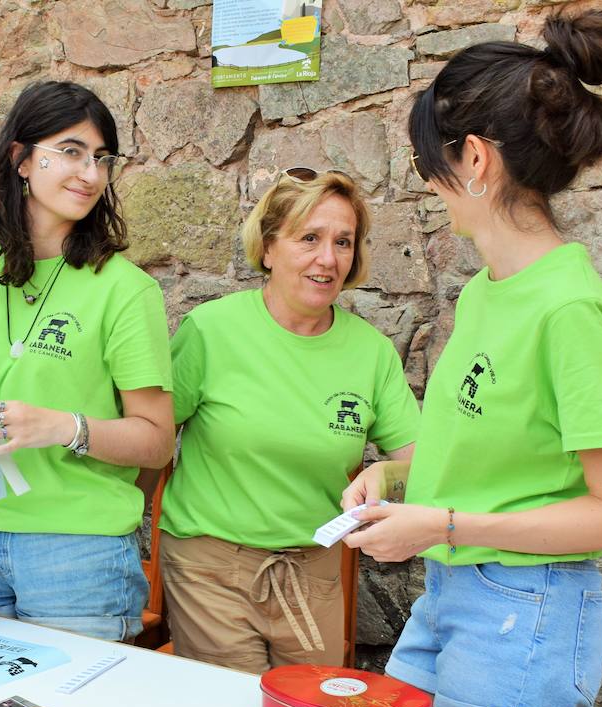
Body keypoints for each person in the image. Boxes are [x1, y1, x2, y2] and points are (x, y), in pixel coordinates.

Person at [342, 11, 602, 707]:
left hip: (524, 605)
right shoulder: (487, 291)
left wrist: (442, 524)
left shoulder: (569, 311)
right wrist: (394, 480)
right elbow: (492, 455)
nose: (428, 183)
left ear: (476, 159)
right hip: (454, 591)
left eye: (429, 163)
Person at [0, 81, 174, 641]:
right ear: (20, 160)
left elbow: (156, 440)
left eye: (101, 158)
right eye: (70, 151)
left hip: (78, 552)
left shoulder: (126, 291)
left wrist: (60, 427)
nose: (90, 174)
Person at [157, 170, 418, 675]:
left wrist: (383, 477)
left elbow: (422, 461)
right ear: (269, 248)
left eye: (343, 242)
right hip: (210, 569)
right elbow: (150, 439)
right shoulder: (211, 331)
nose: (328, 258)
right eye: (309, 239)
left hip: (312, 570)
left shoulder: (371, 352)